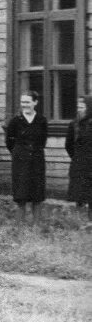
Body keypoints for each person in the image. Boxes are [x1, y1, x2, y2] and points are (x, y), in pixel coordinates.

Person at [5, 91, 47, 225]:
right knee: (21, 194)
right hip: (20, 162)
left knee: (37, 194)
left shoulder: (41, 120)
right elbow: (9, 142)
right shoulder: (15, 121)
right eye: (23, 102)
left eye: (28, 102)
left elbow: (43, 141)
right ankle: (19, 228)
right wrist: (20, 153)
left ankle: (36, 227)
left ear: (35, 102)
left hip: (37, 161)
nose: (25, 105)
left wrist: (33, 152)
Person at [65, 95, 92, 225]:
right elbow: (68, 145)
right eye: (78, 107)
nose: (79, 109)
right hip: (79, 166)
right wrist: (77, 158)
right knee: (79, 196)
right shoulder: (74, 124)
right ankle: (80, 223)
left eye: (82, 107)